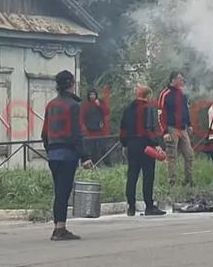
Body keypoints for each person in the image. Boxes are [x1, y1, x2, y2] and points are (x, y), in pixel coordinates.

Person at [41, 70, 93, 241]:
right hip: (67, 154)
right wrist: (84, 156)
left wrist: (50, 151)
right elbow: (76, 133)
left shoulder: (51, 105)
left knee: (59, 191)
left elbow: (44, 134)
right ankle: (59, 229)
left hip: (54, 154)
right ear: (71, 84)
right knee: (64, 191)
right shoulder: (73, 106)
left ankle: (59, 226)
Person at [120, 85, 166, 217]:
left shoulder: (128, 109)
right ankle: (149, 206)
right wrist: (156, 144)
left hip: (132, 145)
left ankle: (131, 206)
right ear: (148, 96)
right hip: (146, 146)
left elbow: (123, 128)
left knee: (132, 175)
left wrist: (124, 144)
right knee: (148, 176)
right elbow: (149, 129)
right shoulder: (148, 108)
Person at [158, 71, 195, 188]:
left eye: (182, 79)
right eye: (179, 79)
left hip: (183, 128)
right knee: (172, 156)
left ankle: (189, 180)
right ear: (172, 80)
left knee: (189, 154)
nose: (182, 81)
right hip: (171, 128)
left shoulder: (182, 93)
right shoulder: (165, 94)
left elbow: (185, 110)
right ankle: (172, 182)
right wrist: (164, 132)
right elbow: (160, 114)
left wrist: (189, 124)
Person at [82, 89, 110, 166]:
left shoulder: (100, 103)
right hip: (89, 131)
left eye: (93, 94)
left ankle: (108, 164)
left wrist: (99, 105)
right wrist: (84, 128)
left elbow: (107, 112)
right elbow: (82, 117)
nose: (92, 96)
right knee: (92, 150)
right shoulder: (86, 105)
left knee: (103, 148)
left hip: (100, 130)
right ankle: (94, 165)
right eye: (91, 94)